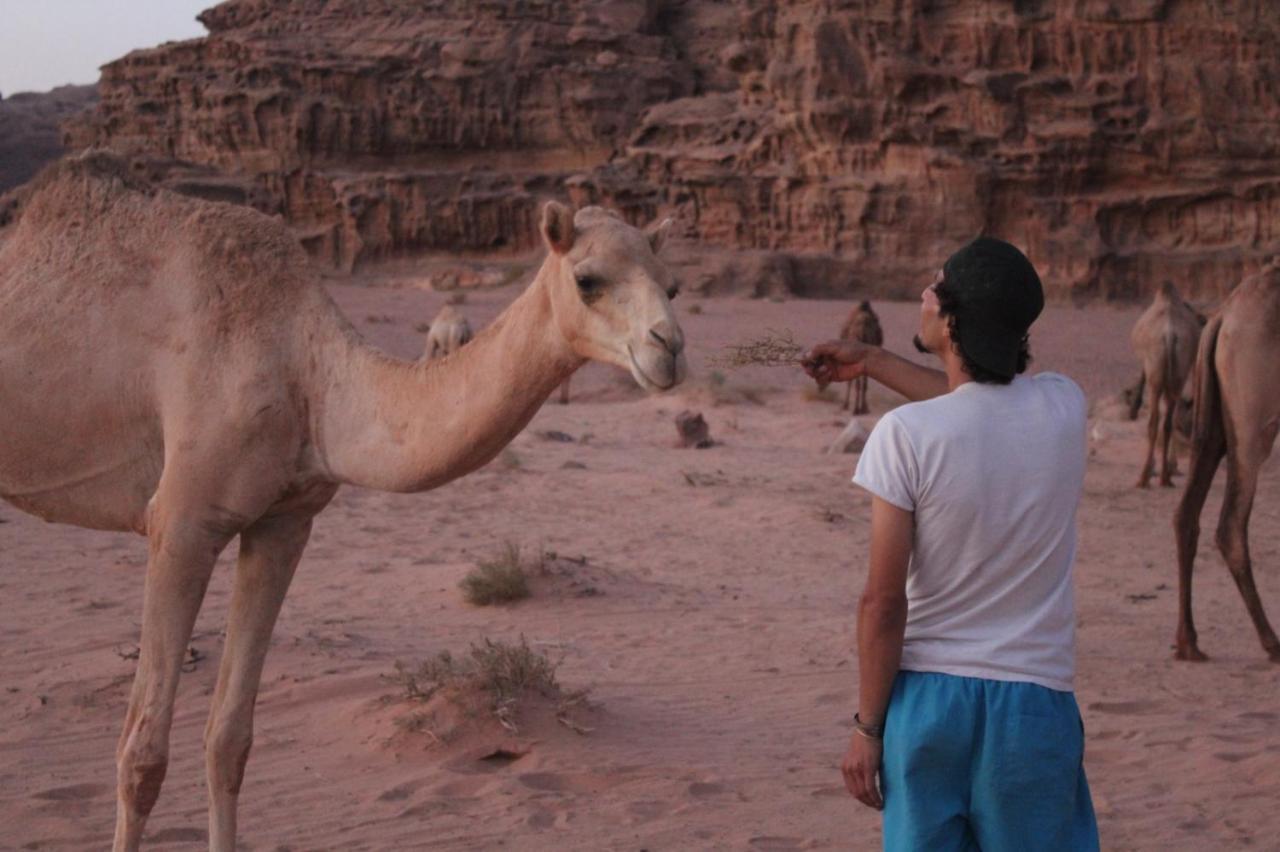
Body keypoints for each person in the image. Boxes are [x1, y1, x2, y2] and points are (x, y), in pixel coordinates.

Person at [803, 237, 1100, 851]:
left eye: (935, 285)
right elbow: (983, 408)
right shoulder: (1065, 408)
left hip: (929, 707)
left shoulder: (904, 436)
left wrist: (867, 729)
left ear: (952, 319)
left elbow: (882, 604)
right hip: (1035, 710)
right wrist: (874, 360)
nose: (922, 294)